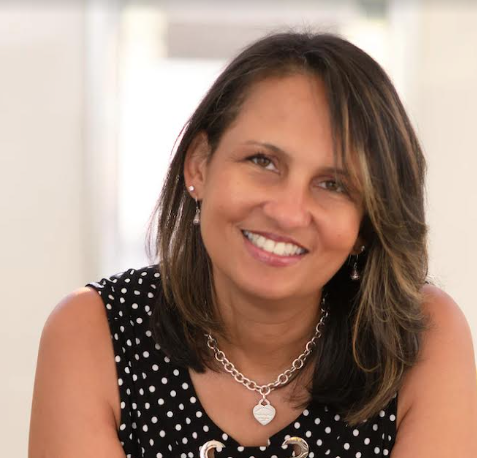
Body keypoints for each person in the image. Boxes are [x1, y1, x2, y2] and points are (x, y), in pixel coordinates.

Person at [28, 31, 477, 458]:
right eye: (262, 161)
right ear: (199, 167)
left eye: (334, 184)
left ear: (367, 224)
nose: (287, 211)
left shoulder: (420, 335)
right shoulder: (93, 330)